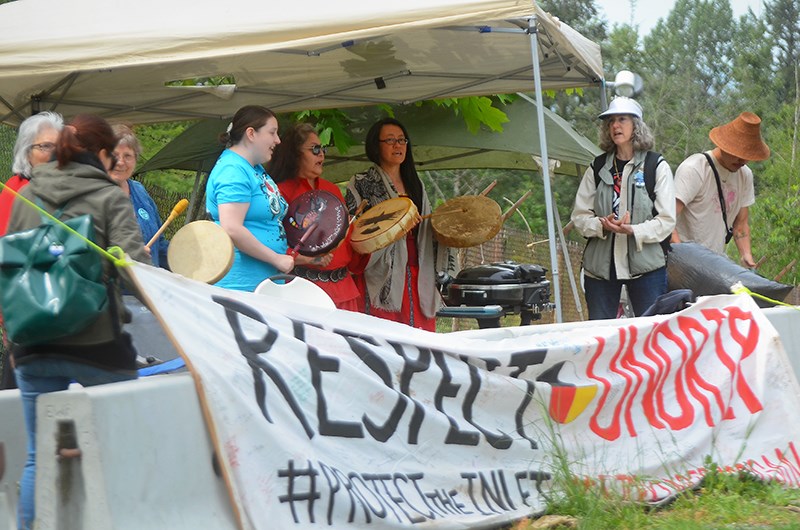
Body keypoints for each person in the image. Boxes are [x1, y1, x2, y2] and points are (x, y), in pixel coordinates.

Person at [5, 114, 149, 530]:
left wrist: (15, 343)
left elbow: (10, 270)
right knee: (120, 450)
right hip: (97, 345)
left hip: (33, 343)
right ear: (101, 154)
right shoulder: (109, 197)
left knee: (38, 455)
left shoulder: (27, 193)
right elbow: (134, 272)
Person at [345, 118, 455, 331]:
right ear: (375, 146)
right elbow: (352, 227)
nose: (398, 145)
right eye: (390, 140)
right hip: (380, 272)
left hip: (417, 272)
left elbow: (427, 229)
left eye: (402, 140)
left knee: (420, 341)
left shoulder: (416, 183)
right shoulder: (360, 182)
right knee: (384, 337)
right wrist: (391, 228)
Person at [571, 97, 676, 320]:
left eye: (621, 120)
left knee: (650, 333)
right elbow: (579, 217)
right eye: (610, 122)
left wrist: (634, 230)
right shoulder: (597, 167)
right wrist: (601, 225)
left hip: (646, 267)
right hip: (600, 269)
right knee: (600, 335)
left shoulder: (656, 166)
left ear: (636, 126)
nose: (615, 126)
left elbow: (667, 220)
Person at [269, 123, 364, 310]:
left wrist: (369, 238)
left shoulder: (332, 190)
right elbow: (272, 243)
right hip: (305, 291)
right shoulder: (280, 193)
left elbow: (347, 240)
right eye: (315, 149)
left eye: (322, 149)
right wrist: (305, 259)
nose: (321, 154)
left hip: (344, 289)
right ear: (295, 154)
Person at [0, 111, 64, 391]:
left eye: (59, 146)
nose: (54, 153)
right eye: (45, 146)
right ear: (27, 152)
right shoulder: (15, 194)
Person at [206, 105, 294, 291]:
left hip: (263, 281)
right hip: (241, 285)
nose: (278, 140)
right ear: (251, 134)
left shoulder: (252, 168)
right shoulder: (233, 170)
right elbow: (232, 228)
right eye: (272, 133)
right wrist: (276, 258)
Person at [672, 112, 769, 268]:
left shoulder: (745, 175)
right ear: (724, 145)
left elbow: (741, 225)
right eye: (738, 155)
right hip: (683, 261)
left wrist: (746, 255)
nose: (743, 161)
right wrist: (682, 259)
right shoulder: (695, 168)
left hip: (714, 263)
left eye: (747, 155)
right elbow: (667, 218)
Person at [110, 123, 170, 269]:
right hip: (113, 288)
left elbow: (159, 243)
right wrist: (129, 254)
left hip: (147, 285)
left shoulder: (139, 191)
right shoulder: (92, 194)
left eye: (128, 156)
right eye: (114, 155)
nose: (121, 162)